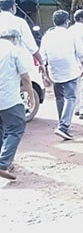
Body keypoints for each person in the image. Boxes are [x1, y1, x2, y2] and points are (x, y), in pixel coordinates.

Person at [40, 10, 83, 140]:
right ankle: (63, 126)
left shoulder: (47, 36)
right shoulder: (71, 35)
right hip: (70, 71)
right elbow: (81, 54)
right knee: (71, 98)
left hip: (54, 72)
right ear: (67, 21)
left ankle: (62, 123)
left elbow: (42, 57)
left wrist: (44, 74)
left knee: (59, 98)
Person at [0, 29, 34, 181]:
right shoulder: (14, 51)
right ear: (14, 38)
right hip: (8, 99)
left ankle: (3, 157)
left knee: (2, 128)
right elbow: (25, 77)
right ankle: (3, 163)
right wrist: (31, 97)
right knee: (15, 129)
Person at [0, 0, 45, 73]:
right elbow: (30, 45)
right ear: (13, 7)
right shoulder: (19, 22)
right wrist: (41, 62)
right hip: (17, 64)